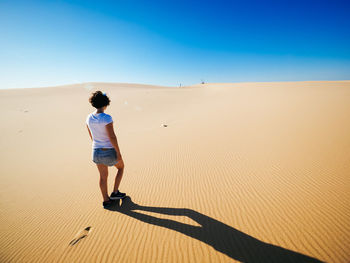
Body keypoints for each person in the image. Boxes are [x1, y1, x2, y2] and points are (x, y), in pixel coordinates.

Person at [86, 91, 126, 208]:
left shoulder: (89, 118)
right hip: (108, 151)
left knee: (103, 177)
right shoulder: (106, 118)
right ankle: (115, 192)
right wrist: (118, 153)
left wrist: (97, 145)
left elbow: (91, 136)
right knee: (121, 167)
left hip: (96, 151)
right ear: (105, 103)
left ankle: (106, 200)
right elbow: (112, 137)